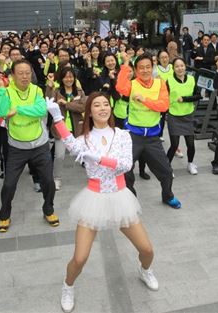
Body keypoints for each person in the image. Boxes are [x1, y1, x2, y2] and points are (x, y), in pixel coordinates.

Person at [46, 93, 159, 313]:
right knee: (80, 258)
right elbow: (69, 143)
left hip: (120, 196)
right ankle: (68, 285)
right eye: (96, 105)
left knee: (146, 249)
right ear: (90, 112)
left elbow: (126, 165)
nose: (102, 108)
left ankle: (145, 270)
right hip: (94, 199)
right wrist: (58, 118)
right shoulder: (83, 140)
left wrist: (98, 158)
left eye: (106, 104)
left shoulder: (123, 135)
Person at [0, 60, 59, 232]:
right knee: (9, 184)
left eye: (28, 72)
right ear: (12, 75)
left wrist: (17, 110)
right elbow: (1, 112)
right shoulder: (6, 92)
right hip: (16, 147)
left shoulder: (37, 89)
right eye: (20, 73)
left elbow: (41, 110)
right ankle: (4, 215)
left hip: (40, 144)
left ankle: (48, 209)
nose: (25, 76)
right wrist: (0, 88)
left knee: (48, 181)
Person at [116, 52, 181, 209]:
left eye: (147, 67)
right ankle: (131, 200)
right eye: (141, 68)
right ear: (136, 70)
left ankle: (168, 196)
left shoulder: (160, 84)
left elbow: (163, 106)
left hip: (152, 137)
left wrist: (144, 100)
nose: (145, 71)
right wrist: (125, 63)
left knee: (166, 171)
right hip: (133, 136)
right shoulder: (132, 84)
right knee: (125, 170)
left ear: (152, 68)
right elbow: (119, 86)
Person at [46, 66, 86, 191]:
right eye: (66, 77)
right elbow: (48, 102)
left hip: (77, 128)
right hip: (61, 129)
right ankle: (56, 179)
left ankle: (94, 175)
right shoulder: (56, 91)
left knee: (86, 153)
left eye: (71, 76)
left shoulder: (79, 91)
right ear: (62, 78)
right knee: (59, 156)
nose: (69, 79)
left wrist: (67, 104)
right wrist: (49, 86)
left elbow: (82, 107)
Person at [165, 57, 201, 174]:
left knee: (190, 144)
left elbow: (198, 96)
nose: (180, 68)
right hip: (174, 116)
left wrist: (185, 99)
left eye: (182, 66)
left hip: (188, 115)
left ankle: (190, 164)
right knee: (174, 145)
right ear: (173, 68)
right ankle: (167, 167)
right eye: (177, 66)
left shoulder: (191, 79)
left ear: (185, 66)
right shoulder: (169, 81)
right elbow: (164, 98)